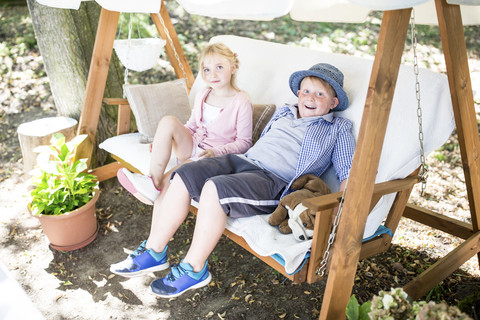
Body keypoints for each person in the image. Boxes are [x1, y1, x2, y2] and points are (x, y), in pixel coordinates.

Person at [110, 63, 356, 298]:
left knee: (214, 189)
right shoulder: (285, 111)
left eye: (320, 94)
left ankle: (194, 269)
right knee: (184, 174)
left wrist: (339, 213)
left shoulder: (337, 128)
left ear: (334, 102)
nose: (310, 98)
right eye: (306, 91)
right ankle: (154, 251)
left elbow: (348, 172)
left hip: (274, 181)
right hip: (243, 161)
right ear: (298, 93)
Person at [117, 42, 253, 205]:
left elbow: (245, 143)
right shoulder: (204, 94)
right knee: (168, 121)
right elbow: (191, 125)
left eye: (219, 67)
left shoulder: (242, 101)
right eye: (207, 69)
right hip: (192, 145)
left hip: (212, 157)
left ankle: (156, 189)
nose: (213, 75)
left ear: (233, 67)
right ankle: (151, 180)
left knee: (171, 178)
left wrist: (216, 151)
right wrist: (162, 140)